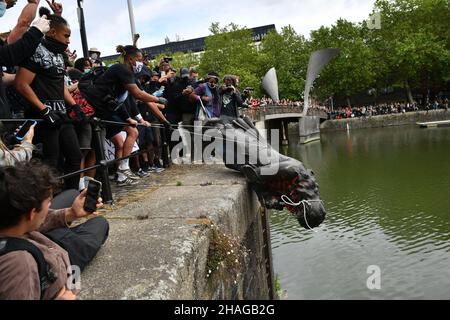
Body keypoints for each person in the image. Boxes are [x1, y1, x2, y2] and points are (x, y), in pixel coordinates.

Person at [0, 161, 109, 300]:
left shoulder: (13, 219)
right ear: (32, 213)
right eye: (48, 202)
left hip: (39, 238)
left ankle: (65, 227)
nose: (50, 204)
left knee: (72, 194)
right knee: (100, 223)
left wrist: (71, 213)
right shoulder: (19, 264)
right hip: (61, 261)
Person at [78, 45, 169, 185]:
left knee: (96, 150)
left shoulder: (128, 74)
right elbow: (137, 94)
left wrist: (129, 118)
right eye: (139, 59)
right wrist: (157, 99)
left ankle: (91, 183)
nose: (141, 63)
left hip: (103, 110)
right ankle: (86, 184)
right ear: (131, 59)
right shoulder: (121, 69)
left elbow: (120, 102)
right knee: (87, 150)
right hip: (91, 108)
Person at [15, 11, 83, 191]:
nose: (68, 41)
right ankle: (46, 210)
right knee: (50, 163)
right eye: (66, 35)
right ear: (52, 32)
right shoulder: (35, 51)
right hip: (43, 118)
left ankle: (70, 200)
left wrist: (75, 106)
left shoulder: (60, 56)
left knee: (75, 156)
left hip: (61, 115)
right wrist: (44, 110)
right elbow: (21, 84)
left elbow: (59, 84)